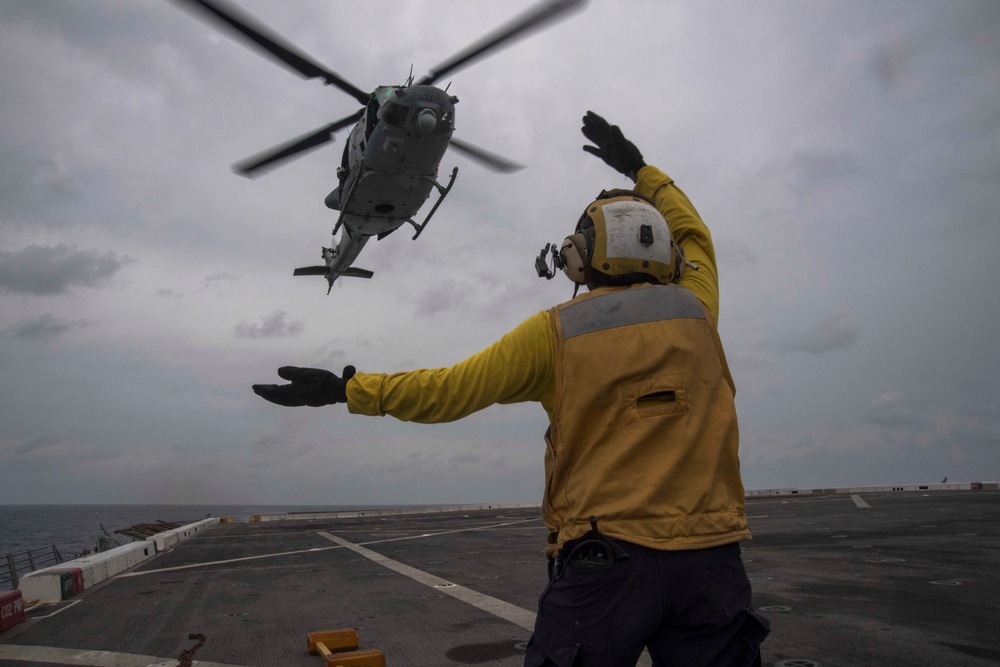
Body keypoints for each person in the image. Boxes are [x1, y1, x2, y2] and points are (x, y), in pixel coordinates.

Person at [253, 111, 770, 667]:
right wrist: (643, 171)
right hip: (710, 563)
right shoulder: (697, 308)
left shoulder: (555, 333)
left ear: (580, 257)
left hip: (606, 567)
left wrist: (345, 388)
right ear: (666, 256)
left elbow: (448, 391)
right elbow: (696, 233)